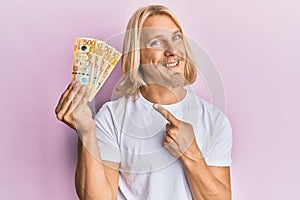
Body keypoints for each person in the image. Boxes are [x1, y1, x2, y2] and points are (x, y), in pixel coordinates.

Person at [55, 5, 232, 200]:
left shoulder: (214, 120)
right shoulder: (112, 118)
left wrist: (191, 153)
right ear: (137, 56)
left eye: (176, 37)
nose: (172, 50)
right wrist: (86, 133)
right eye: (157, 42)